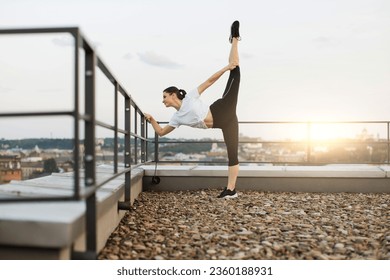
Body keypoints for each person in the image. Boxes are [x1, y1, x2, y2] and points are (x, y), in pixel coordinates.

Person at [144, 21, 241, 199]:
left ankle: (235, 38)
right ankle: (231, 190)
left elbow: (209, 81)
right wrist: (151, 119)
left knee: (235, 68)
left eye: (164, 96)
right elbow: (161, 132)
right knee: (232, 154)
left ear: (173, 95)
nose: (163, 101)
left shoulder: (189, 97)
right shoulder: (176, 118)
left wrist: (225, 68)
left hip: (223, 107)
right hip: (225, 123)